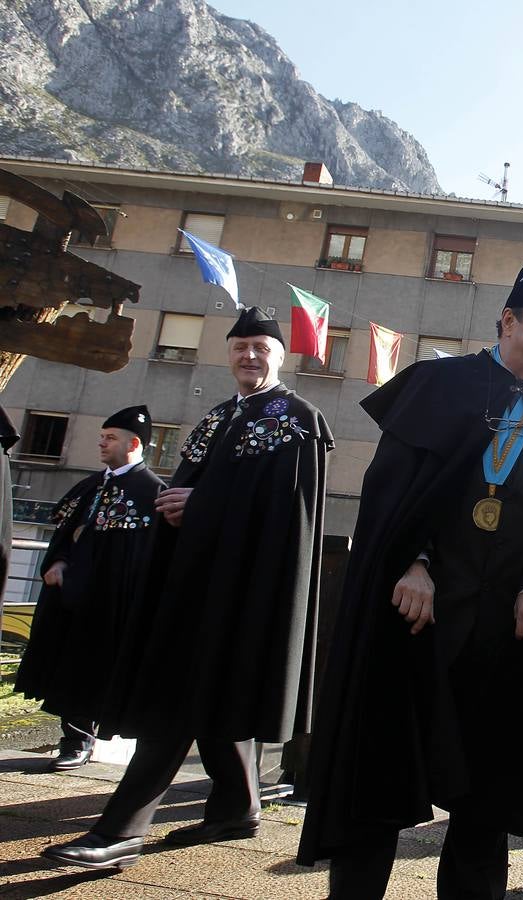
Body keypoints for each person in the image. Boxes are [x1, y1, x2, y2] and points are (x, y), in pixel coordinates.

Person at [297, 253, 523, 899]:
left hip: (508, 642)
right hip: (417, 626)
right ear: (506, 321)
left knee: (486, 800)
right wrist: (410, 562)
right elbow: (390, 499)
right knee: (380, 779)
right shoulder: (437, 389)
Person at [43, 307, 333, 871]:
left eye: (261, 347)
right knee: (208, 698)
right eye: (240, 345)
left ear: (281, 355)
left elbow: (289, 517)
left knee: (177, 700)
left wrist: (205, 506)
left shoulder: (297, 418)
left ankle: (119, 831)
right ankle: (236, 808)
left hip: (242, 590)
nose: (249, 355)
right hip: (192, 583)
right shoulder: (216, 417)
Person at [15, 406, 164, 771]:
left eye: (109, 437)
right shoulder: (91, 486)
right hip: (70, 596)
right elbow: (65, 535)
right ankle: (71, 735)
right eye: (101, 435)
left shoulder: (152, 492)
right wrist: (58, 562)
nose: (101, 442)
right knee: (65, 663)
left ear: (133, 444)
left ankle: (80, 740)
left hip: (111, 601)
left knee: (93, 667)